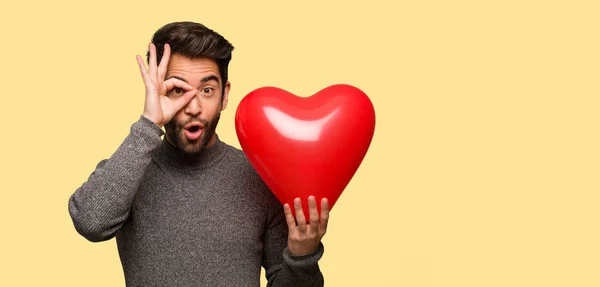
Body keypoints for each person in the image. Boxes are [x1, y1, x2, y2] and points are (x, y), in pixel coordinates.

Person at [68, 21, 329, 286]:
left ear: (224, 96)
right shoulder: (131, 166)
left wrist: (302, 256)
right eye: (177, 90)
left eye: (207, 90)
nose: (193, 107)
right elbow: (91, 222)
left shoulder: (259, 176)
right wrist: (148, 122)